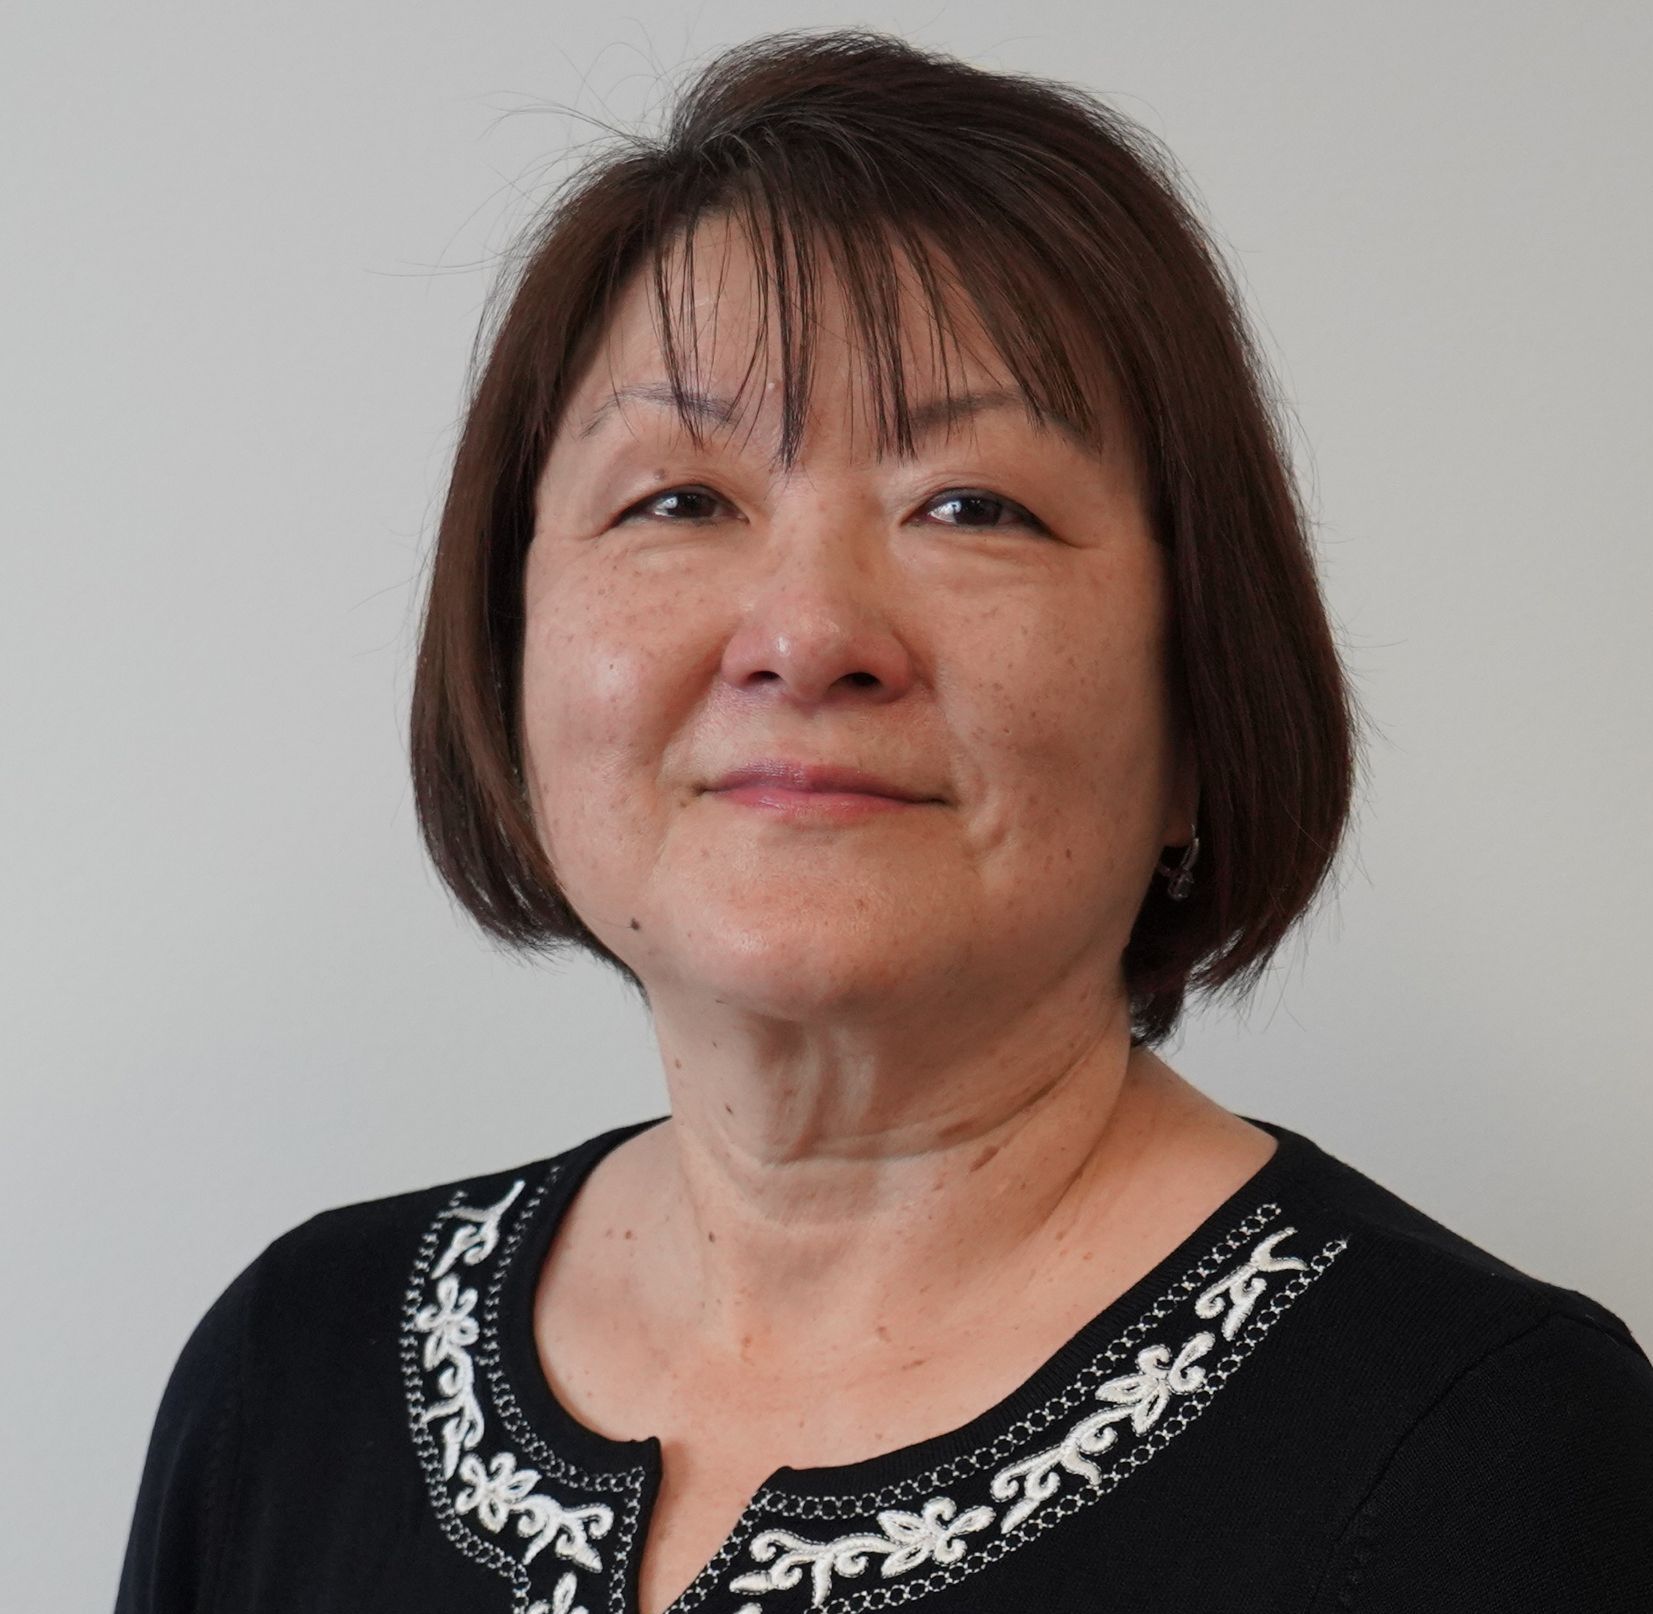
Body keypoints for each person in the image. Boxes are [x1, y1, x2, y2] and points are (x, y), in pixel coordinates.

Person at [115, 27, 1653, 1614]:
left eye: (971, 506)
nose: (804, 629)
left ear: (1202, 697)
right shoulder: (291, 1373)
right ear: (507, 656)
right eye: (677, 500)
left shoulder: (1480, 1446)